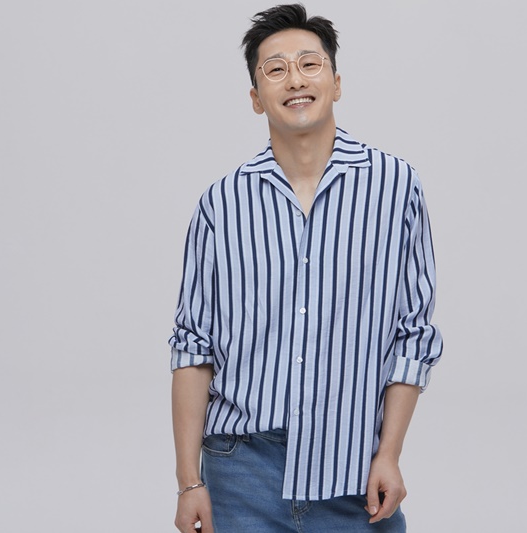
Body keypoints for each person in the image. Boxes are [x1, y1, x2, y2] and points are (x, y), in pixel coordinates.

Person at [169, 4, 443, 532]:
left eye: (309, 64)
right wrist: (189, 482)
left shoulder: (395, 187)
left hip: (353, 472)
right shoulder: (221, 204)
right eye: (275, 69)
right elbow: (192, 347)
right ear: (256, 97)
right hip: (241, 468)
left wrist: (389, 453)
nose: (295, 79)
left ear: (336, 83)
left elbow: (413, 334)